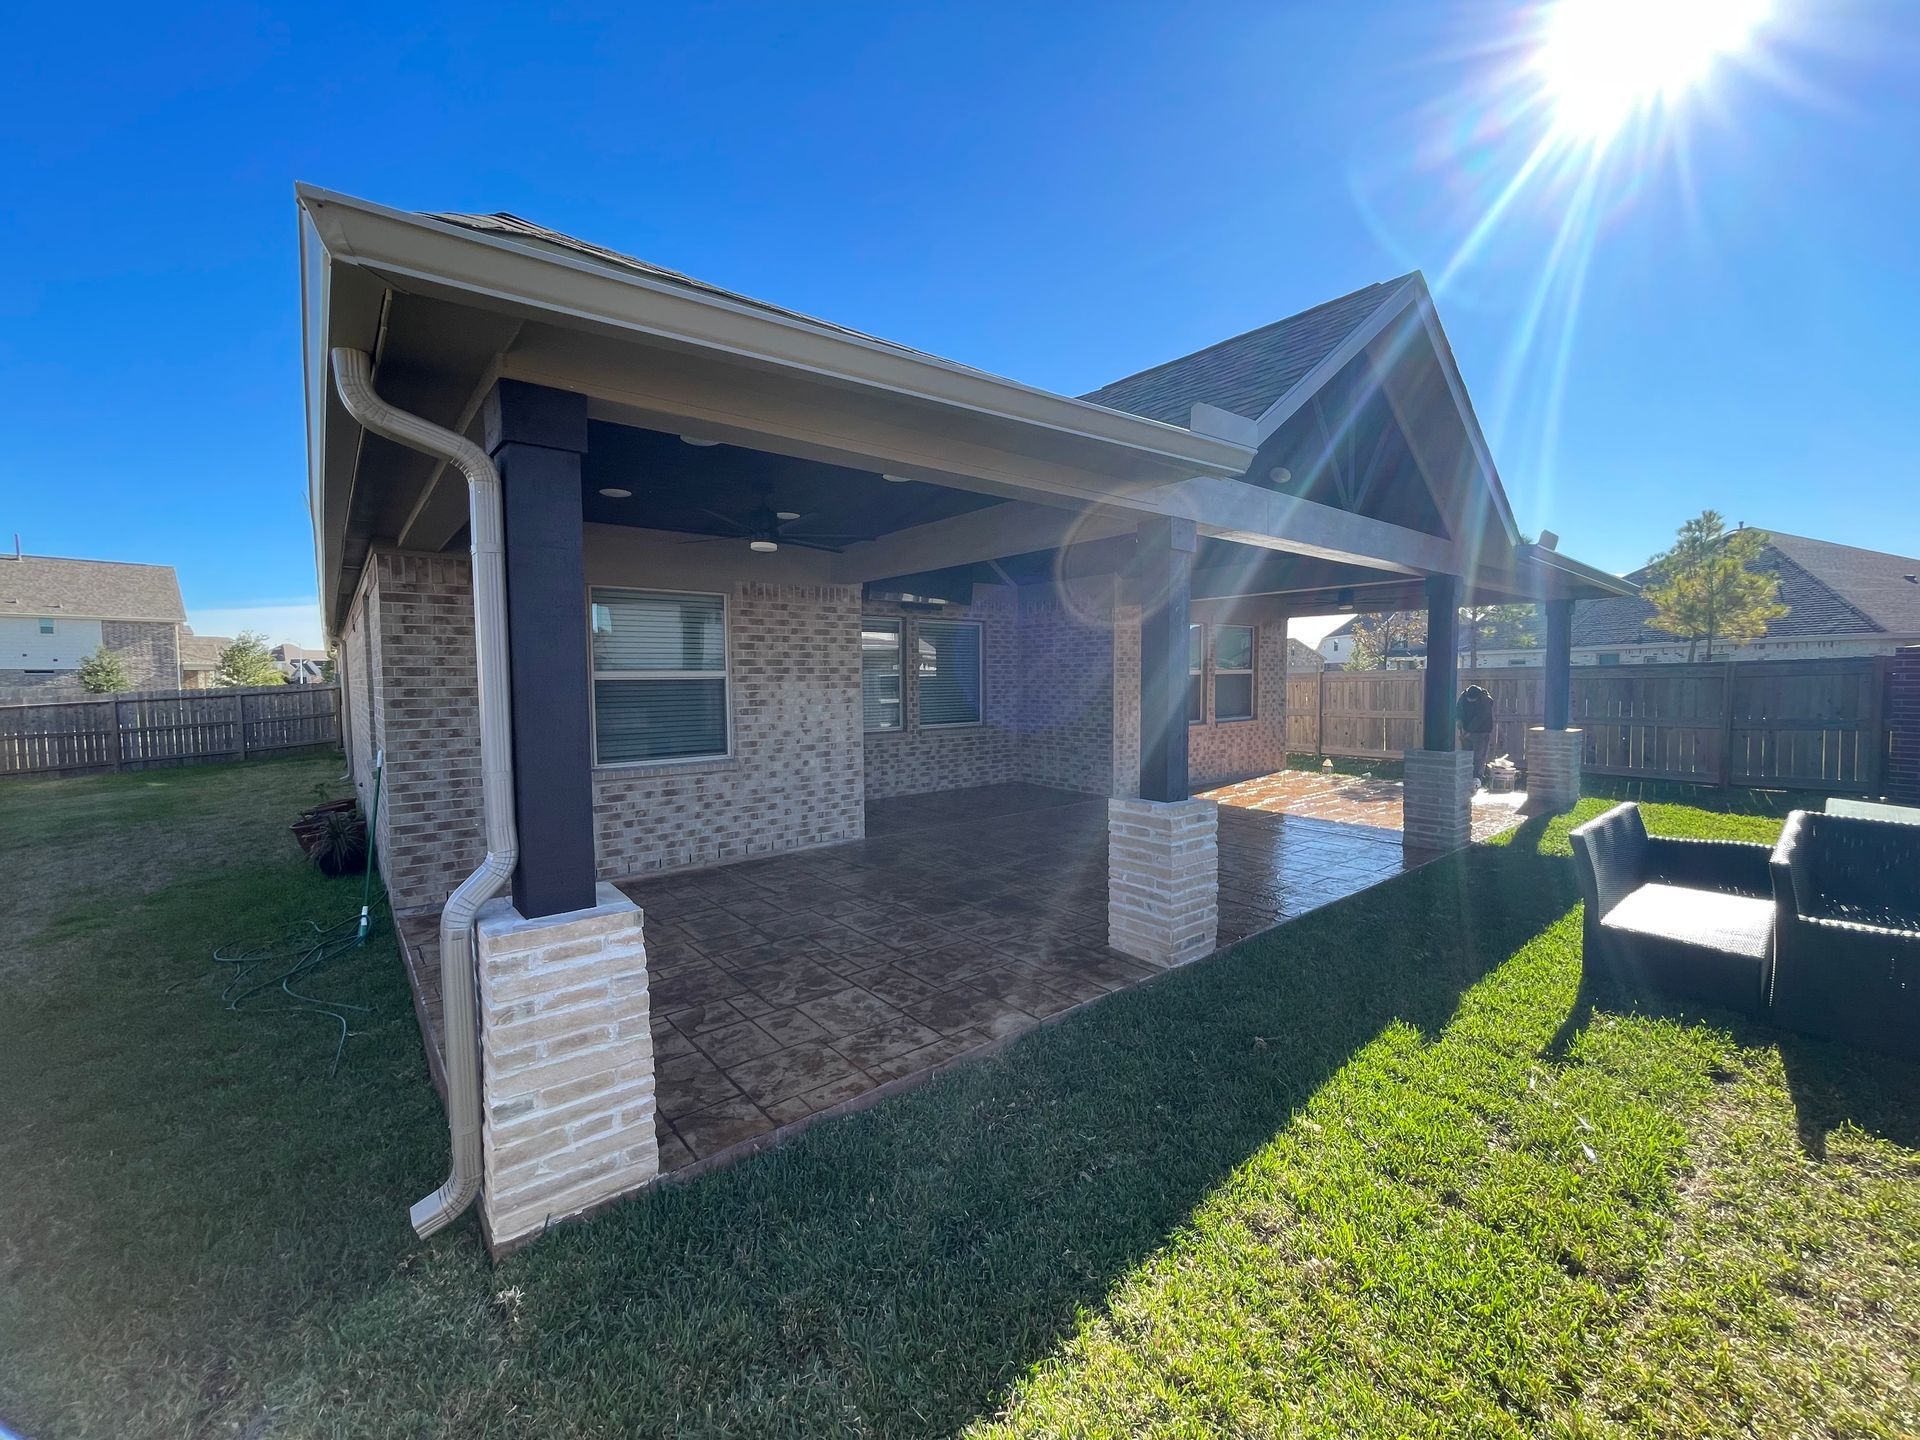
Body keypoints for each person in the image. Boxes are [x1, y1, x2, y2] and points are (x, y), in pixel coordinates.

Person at [1456, 683, 1495, 786]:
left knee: (1479, 757)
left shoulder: (1485, 700)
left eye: (1473, 699)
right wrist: (1459, 719)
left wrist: (1469, 732)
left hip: (1482, 732)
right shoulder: (1463, 696)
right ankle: (1465, 777)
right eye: (1469, 698)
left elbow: (1480, 718)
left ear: (1478, 697)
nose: (1470, 700)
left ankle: (1477, 779)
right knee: (1466, 755)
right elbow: (1458, 708)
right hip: (1466, 731)